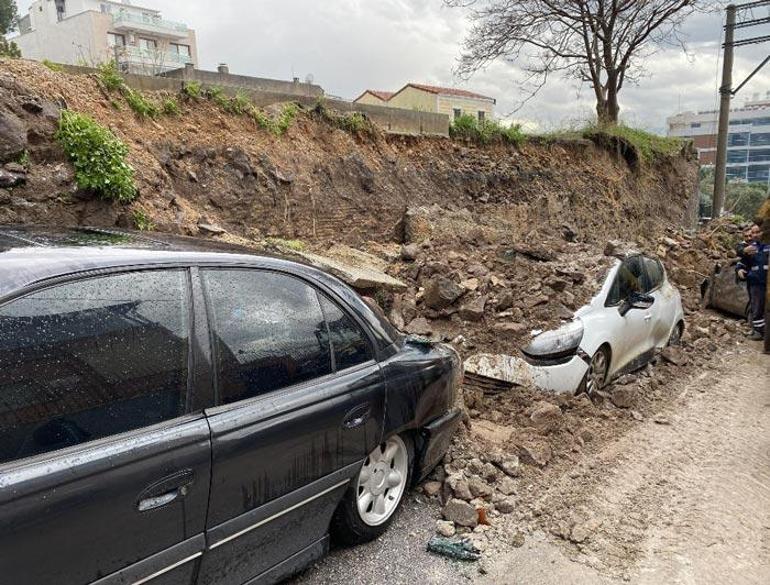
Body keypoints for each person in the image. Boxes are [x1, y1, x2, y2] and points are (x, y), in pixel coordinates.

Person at [737, 223, 768, 340]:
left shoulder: (768, 246)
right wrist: (740, 269)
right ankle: (758, 331)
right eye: (753, 233)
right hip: (755, 283)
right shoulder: (750, 248)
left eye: (757, 232)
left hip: (767, 284)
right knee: (756, 307)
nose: (754, 235)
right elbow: (742, 262)